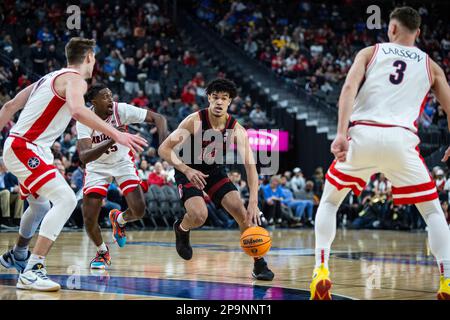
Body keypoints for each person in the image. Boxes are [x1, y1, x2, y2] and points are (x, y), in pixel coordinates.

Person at [310, 7, 450, 300]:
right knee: (433, 212)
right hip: (402, 141)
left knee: (331, 201)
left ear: (392, 29)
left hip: (363, 134)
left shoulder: (370, 52)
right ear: (419, 33)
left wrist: (340, 133)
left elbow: (349, 87)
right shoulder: (431, 65)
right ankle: (447, 279)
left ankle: (320, 270)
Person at [0, 37, 147, 292]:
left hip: (28, 147)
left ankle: (19, 254)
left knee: (39, 204)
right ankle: (34, 269)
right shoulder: (76, 80)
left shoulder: (48, 78)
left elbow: (9, 106)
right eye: (94, 57)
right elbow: (78, 111)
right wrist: (117, 134)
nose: (95, 62)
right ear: (89, 56)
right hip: (26, 146)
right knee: (66, 199)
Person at [158, 78, 274, 280]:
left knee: (242, 212)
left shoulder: (236, 129)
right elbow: (164, 149)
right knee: (199, 216)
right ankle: (182, 228)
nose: (219, 102)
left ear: (230, 102)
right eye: (215, 97)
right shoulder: (194, 120)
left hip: (214, 170)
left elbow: (250, 166)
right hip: (189, 168)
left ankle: (259, 263)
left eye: (224, 98)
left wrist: (253, 201)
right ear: (209, 99)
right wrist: (186, 170)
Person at [77, 83, 167, 269]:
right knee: (89, 218)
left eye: (111, 95)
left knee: (139, 210)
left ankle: (119, 219)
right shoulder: (85, 119)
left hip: (122, 162)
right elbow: (85, 157)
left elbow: (158, 118)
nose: (110, 99)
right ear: (93, 102)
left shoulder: (121, 110)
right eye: (105, 97)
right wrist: (114, 136)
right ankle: (102, 252)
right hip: (96, 166)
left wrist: (163, 142)